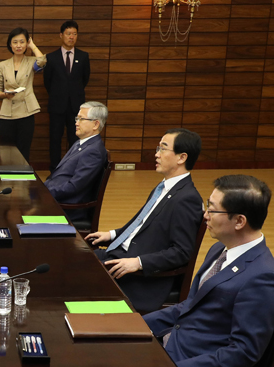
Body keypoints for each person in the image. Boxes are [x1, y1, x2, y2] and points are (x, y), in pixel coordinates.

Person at [144, 175, 274, 366]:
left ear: (239, 221)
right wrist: (137, 324)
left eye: (212, 209)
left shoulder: (262, 277)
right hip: (170, 342)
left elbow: (243, 353)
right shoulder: (218, 249)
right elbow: (189, 306)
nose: (205, 215)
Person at [85, 128, 203, 313]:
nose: (156, 154)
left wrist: (138, 262)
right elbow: (142, 223)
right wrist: (112, 234)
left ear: (181, 158)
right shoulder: (164, 187)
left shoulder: (187, 198)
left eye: (163, 149)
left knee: (75, 277)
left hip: (140, 276)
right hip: (120, 254)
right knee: (73, 257)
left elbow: (181, 252)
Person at [44, 101, 107, 221]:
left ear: (95, 124)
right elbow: (60, 174)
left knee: (18, 214)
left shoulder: (94, 152)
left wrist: (44, 192)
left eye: (81, 119)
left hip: (67, 210)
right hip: (56, 200)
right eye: (77, 118)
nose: (76, 123)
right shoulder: (81, 142)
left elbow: (74, 187)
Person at [44, 20, 90, 173]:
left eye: (74, 34)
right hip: (57, 105)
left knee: (75, 139)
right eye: (68, 34)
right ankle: (54, 170)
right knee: (55, 140)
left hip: (76, 106)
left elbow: (85, 79)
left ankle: (72, 169)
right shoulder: (51, 57)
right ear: (61, 35)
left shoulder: (83, 57)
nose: (71, 37)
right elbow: (47, 82)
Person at [0, 27, 46, 162]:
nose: (18, 45)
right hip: (7, 112)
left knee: (23, 149)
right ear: (10, 44)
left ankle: (22, 182)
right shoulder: (3, 65)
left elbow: (43, 62)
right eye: (15, 42)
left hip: (26, 111)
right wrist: (4, 95)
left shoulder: (31, 61)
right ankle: (7, 180)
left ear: (26, 43)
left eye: (22, 42)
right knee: (6, 150)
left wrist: (32, 45)